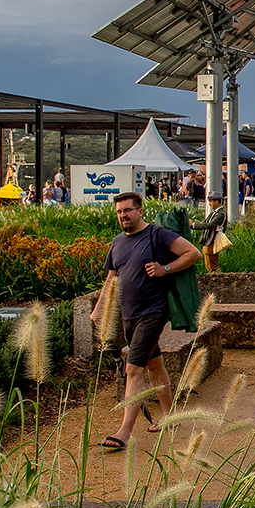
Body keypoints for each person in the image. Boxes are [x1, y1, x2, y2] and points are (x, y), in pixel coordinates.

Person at [89, 191, 201, 450]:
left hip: (153, 312)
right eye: (119, 212)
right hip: (129, 315)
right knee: (153, 364)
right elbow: (111, 280)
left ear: (140, 211)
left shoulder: (157, 235)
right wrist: (98, 309)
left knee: (133, 368)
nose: (123, 216)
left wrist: (166, 269)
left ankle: (124, 432)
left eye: (127, 210)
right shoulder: (117, 243)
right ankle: (170, 414)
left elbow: (192, 253)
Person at [190, 194, 228, 272]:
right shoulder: (213, 213)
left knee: (212, 261)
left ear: (216, 202)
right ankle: (211, 275)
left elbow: (210, 225)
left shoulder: (221, 214)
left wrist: (194, 225)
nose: (209, 203)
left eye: (211, 201)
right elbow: (205, 223)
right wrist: (194, 225)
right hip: (208, 240)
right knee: (207, 258)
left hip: (213, 240)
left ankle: (215, 276)